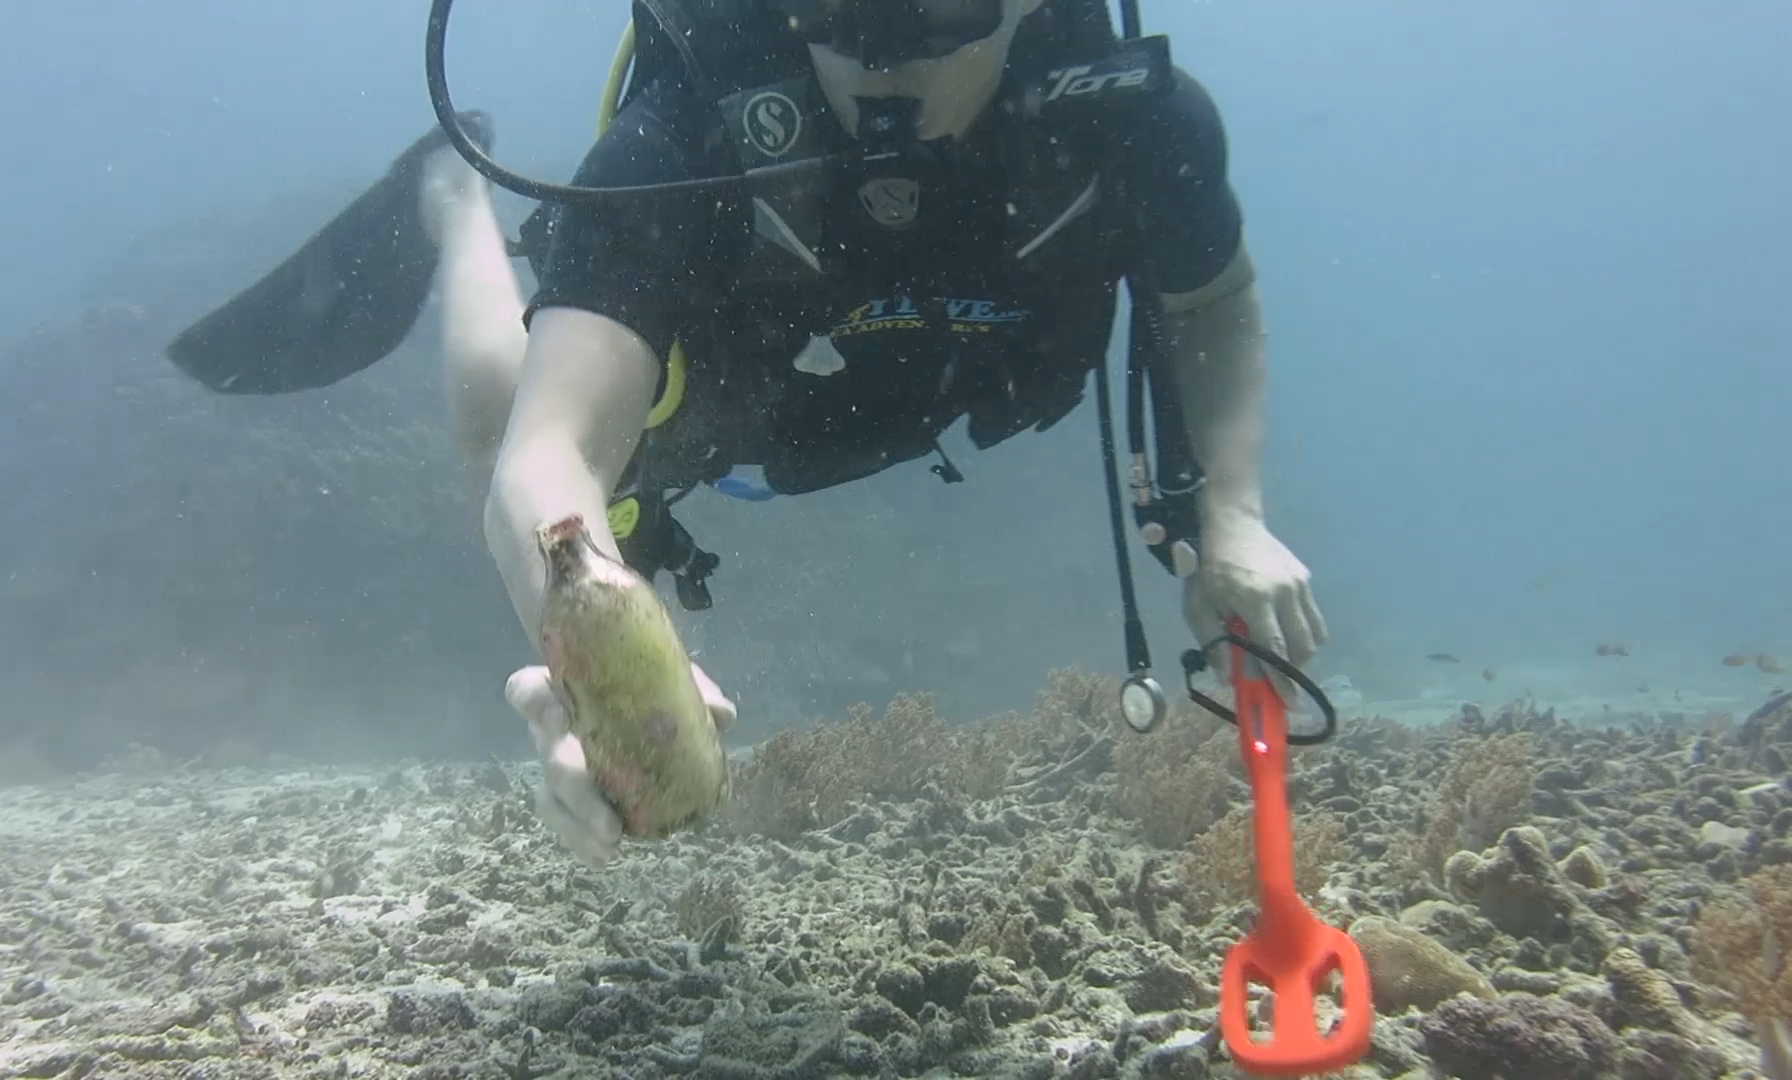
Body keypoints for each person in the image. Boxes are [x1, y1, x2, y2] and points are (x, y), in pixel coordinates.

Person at [180, 0, 1326, 867]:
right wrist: (598, 648)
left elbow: (1209, 299)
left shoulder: (1132, 124)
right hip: (730, 374)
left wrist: (1232, 513)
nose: (887, 50)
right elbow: (549, 455)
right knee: (499, 418)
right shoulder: (684, 135)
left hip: (917, 384)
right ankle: (452, 194)